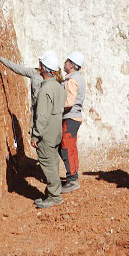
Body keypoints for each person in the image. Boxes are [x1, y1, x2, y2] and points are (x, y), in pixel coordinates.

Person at [31, 50, 68, 208]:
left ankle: (54, 196)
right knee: (53, 163)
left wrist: (35, 135)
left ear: (43, 68)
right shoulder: (59, 87)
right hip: (56, 133)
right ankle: (54, 191)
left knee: (47, 163)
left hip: (45, 135)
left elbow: (42, 116)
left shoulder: (45, 90)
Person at [0, 53, 43, 136]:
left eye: (41, 62)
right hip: (36, 112)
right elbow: (19, 69)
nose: (39, 63)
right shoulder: (35, 72)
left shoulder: (53, 81)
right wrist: (1, 59)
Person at [60, 51, 86, 193]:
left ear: (71, 65)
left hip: (69, 117)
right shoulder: (79, 79)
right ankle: (73, 176)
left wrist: (55, 108)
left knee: (66, 148)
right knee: (71, 148)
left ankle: (72, 180)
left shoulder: (71, 81)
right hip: (75, 118)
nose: (64, 63)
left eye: (66, 61)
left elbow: (69, 102)